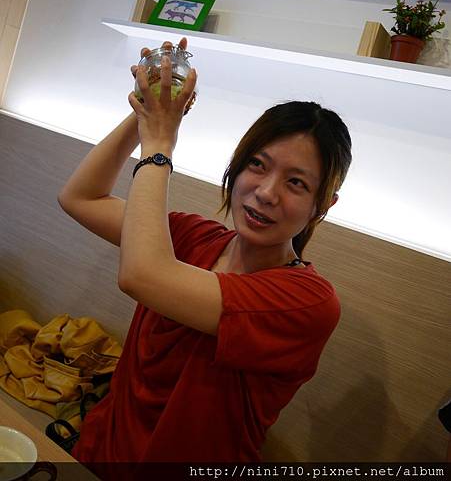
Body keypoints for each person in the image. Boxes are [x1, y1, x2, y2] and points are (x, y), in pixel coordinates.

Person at [58, 37, 352, 466]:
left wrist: (160, 144)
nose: (266, 192)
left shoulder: (308, 302)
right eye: (257, 165)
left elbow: (141, 275)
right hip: (100, 453)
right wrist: (147, 111)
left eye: (296, 183)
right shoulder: (194, 236)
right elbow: (81, 197)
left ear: (322, 206)